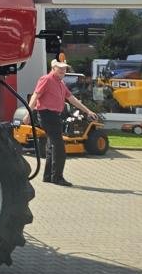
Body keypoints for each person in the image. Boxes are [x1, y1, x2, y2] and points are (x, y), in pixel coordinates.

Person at [28, 59, 97, 187]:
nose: (63, 71)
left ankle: (48, 176)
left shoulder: (60, 83)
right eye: (60, 68)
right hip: (47, 115)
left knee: (51, 146)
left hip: (54, 116)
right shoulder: (46, 79)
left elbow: (72, 99)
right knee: (59, 147)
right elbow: (35, 95)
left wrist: (88, 111)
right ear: (53, 68)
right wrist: (28, 113)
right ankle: (57, 177)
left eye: (64, 69)